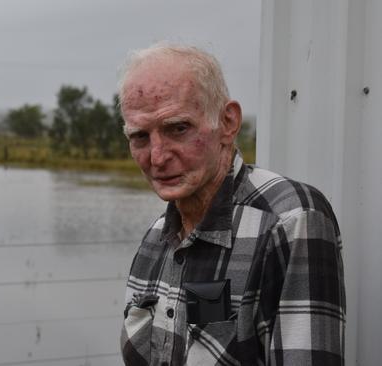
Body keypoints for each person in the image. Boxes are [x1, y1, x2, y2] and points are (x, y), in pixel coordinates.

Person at [118, 44, 345, 366]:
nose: (157, 157)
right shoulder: (155, 240)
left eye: (178, 128)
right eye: (140, 136)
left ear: (228, 122)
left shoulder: (291, 220)